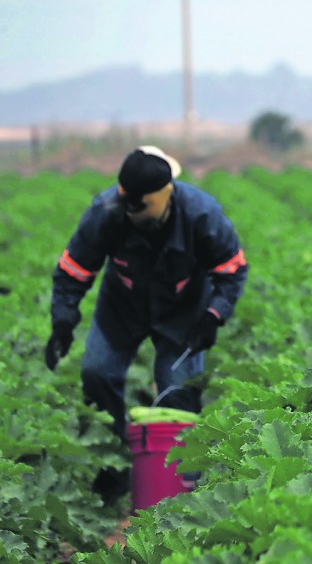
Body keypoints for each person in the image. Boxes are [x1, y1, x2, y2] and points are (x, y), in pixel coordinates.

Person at [45, 146, 249, 443]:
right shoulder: (105, 212)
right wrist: (62, 320)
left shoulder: (201, 214)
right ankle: (111, 449)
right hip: (122, 305)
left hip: (184, 309)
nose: (131, 213)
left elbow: (232, 271)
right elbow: (73, 271)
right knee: (96, 373)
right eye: (127, 206)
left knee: (178, 391)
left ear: (166, 194)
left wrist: (212, 315)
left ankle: (177, 475)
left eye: (139, 208)